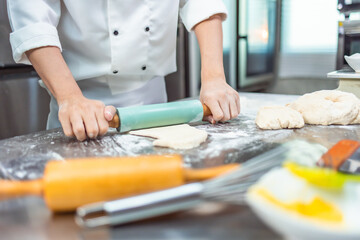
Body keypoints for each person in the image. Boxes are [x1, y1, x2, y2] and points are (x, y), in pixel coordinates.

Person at [8, 0, 240, 141]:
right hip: (81, 113)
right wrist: (70, 97)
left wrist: (215, 78)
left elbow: (201, 2)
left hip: (159, 112)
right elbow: (34, 23)